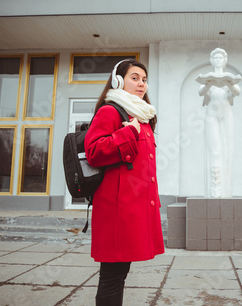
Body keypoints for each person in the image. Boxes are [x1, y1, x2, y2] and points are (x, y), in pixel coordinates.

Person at [84, 59, 164, 306]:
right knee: (111, 276)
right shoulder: (110, 111)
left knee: (119, 273)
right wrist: (128, 133)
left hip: (134, 208)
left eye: (144, 79)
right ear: (118, 80)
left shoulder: (141, 114)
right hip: (116, 210)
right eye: (135, 77)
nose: (141, 84)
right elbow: (93, 151)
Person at [196, 48, 241, 198]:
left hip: (226, 114)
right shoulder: (207, 79)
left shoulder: (229, 78)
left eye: (221, 57)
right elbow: (201, 92)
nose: (218, 60)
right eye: (215, 57)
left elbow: (236, 92)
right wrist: (210, 83)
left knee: (227, 149)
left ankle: (226, 188)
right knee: (213, 150)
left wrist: (228, 83)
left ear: (225, 60)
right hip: (211, 115)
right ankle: (214, 187)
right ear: (211, 60)